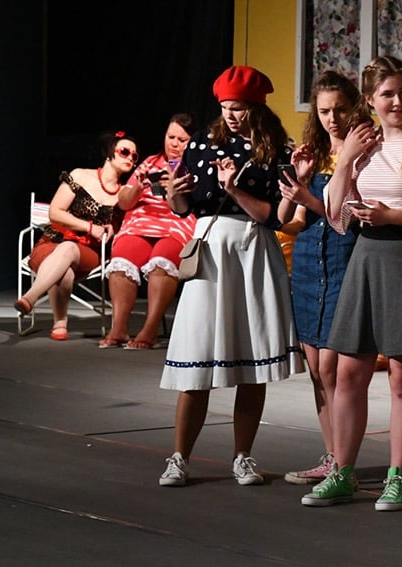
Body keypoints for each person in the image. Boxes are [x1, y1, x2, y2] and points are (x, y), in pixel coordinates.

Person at [300, 56, 402, 511]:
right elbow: (336, 216)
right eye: (387, 94)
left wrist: (392, 216)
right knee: (349, 372)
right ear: (369, 100)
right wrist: (345, 157)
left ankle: (397, 477)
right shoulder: (361, 141)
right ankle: (342, 471)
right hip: (367, 257)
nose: (398, 101)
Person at [157, 65, 304, 488]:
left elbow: (274, 218)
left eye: (238, 108)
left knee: (252, 362)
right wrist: (174, 195)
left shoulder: (276, 149)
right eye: (225, 107)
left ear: (256, 107)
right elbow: (185, 208)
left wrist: (235, 188)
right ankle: (179, 457)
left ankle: (243, 456)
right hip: (211, 249)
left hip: (252, 250)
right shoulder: (201, 143)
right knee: (197, 355)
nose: (231, 115)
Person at [278, 71, 370, 485]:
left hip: (343, 260)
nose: (333, 118)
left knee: (333, 367)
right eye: (325, 111)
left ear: (355, 107)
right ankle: (331, 455)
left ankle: (343, 462)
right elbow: (289, 220)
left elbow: (348, 219)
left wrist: (308, 198)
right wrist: (297, 184)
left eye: (340, 109)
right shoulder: (314, 153)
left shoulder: (363, 151)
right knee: (316, 369)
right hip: (308, 265)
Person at [14, 131, 135, 340]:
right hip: (52, 241)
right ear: (110, 153)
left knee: (69, 248)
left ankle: (30, 297)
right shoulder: (80, 176)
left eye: (134, 156)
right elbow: (55, 212)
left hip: (88, 252)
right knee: (65, 271)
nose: (130, 158)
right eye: (125, 152)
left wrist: (113, 229)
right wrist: (89, 227)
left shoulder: (124, 194)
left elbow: (125, 224)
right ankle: (60, 323)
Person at [98, 113, 197, 350]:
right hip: (140, 222)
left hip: (176, 224)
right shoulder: (150, 162)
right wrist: (138, 187)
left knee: (162, 262)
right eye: (171, 137)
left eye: (182, 140)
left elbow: (194, 205)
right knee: (122, 259)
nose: (174, 144)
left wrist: (174, 188)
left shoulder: (196, 165)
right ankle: (119, 328)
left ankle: (150, 329)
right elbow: (123, 202)